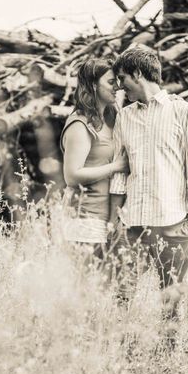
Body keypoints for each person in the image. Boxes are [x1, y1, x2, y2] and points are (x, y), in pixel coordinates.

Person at [108, 49, 188, 308]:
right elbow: (120, 171)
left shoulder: (184, 112)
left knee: (172, 302)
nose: (119, 86)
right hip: (132, 225)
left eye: (122, 78)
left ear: (138, 73)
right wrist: (114, 219)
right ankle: (125, 347)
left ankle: (169, 349)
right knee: (122, 297)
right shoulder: (125, 117)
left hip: (173, 223)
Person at [60, 58, 128, 249]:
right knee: (87, 278)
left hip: (110, 216)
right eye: (111, 82)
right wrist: (116, 166)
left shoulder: (112, 116)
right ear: (93, 85)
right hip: (85, 218)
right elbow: (72, 176)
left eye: (118, 81)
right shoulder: (79, 124)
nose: (118, 87)